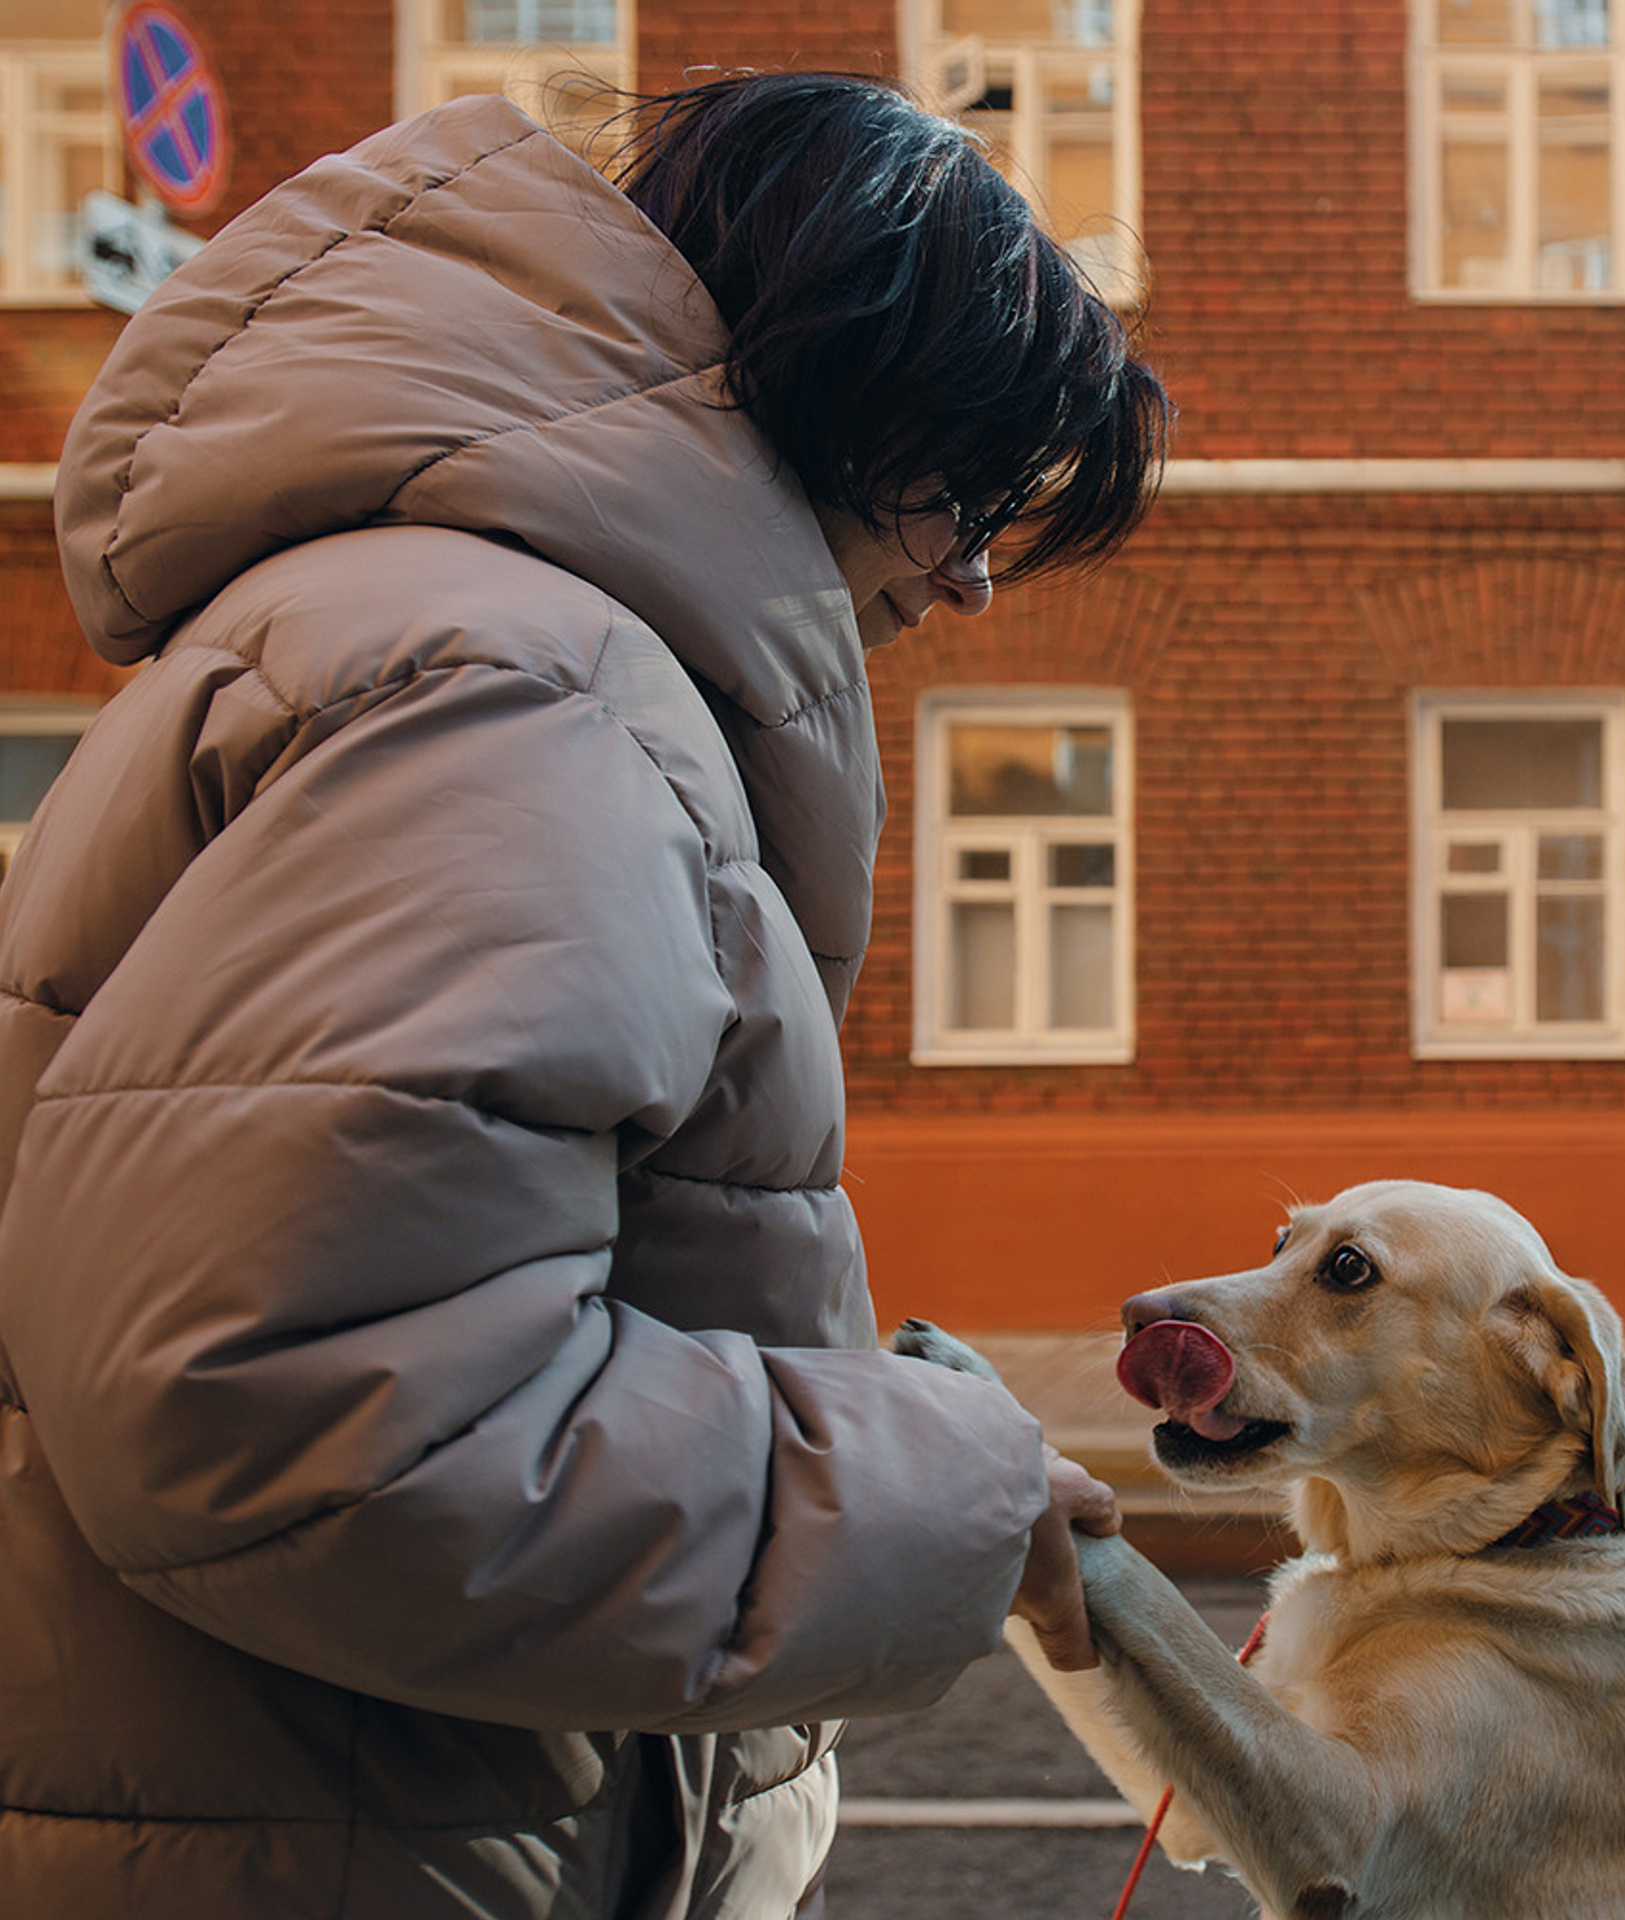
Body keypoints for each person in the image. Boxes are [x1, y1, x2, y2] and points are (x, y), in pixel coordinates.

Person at [0, 69, 1167, 1920]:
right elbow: (310, 1410)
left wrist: (881, 1417)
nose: (966, 587)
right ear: (845, 401)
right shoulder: (522, 692)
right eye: (970, 499)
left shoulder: (452, 639)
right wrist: (931, 1487)